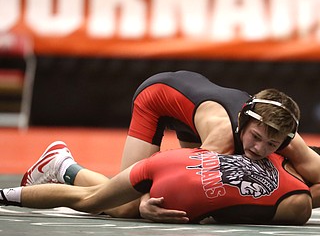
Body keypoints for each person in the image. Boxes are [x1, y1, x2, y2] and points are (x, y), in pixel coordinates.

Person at [20, 70, 320, 221]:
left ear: (287, 139)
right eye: (255, 137)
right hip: (159, 97)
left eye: (273, 143)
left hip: (195, 105)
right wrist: (146, 202)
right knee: (126, 206)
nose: (260, 149)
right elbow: (166, 175)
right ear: (243, 121)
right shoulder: (222, 140)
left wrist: (299, 195)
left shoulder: (286, 140)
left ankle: (62, 167)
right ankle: (62, 165)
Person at [0, 142, 312, 225]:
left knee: (104, 201)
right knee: (95, 203)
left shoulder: (276, 151)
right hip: (178, 191)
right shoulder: (298, 204)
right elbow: (232, 213)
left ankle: (62, 166)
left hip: (172, 160)